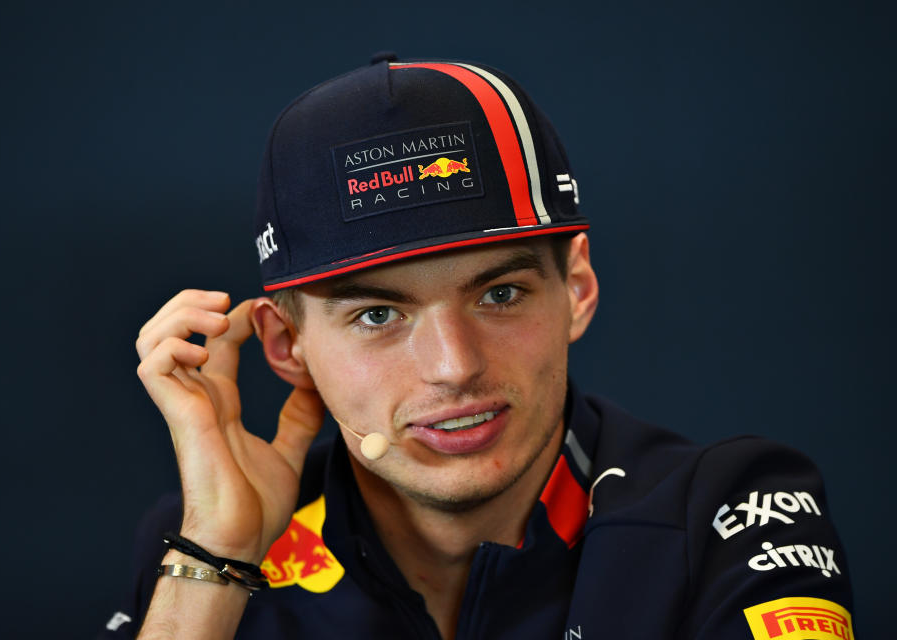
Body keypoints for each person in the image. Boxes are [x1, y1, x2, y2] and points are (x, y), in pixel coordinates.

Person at [100, 55, 855, 639]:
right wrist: (217, 555)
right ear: (287, 344)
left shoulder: (730, 514)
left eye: (499, 294)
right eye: (376, 316)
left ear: (579, 288)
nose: (454, 366)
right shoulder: (206, 543)